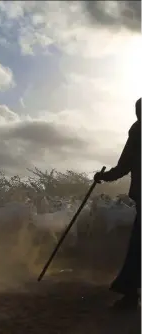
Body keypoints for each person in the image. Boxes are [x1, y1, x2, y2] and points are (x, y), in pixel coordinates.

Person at [94, 97, 141, 311]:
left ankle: (130, 295)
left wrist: (103, 177)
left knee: (138, 247)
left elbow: (124, 165)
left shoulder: (138, 130)